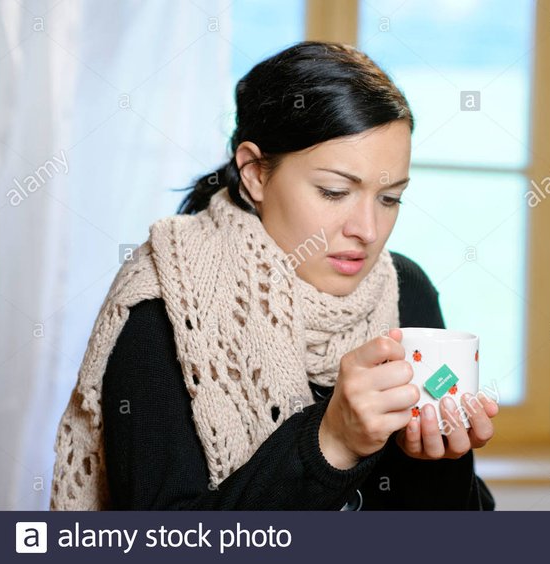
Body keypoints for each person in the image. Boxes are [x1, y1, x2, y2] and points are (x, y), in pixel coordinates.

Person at [50, 41, 498, 511]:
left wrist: (439, 460)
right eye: (334, 191)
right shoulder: (160, 309)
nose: (367, 230)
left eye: (390, 198)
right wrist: (331, 443)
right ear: (255, 173)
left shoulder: (408, 289)